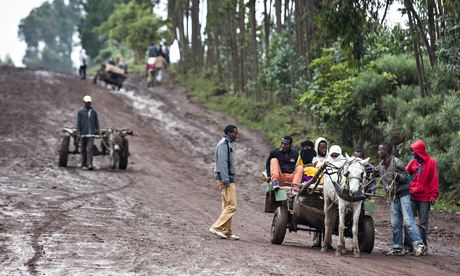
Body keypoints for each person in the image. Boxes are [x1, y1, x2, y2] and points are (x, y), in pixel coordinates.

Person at [375, 142, 426, 256]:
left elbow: (407, 177)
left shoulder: (397, 162)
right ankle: (397, 247)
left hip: (403, 195)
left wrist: (397, 176)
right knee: (395, 222)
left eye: (380, 150)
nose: (378, 152)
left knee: (408, 221)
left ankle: (419, 245)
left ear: (386, 151)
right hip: (393, 196)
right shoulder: (381, 165)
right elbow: (376, 173)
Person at [405, 139, 439, 253]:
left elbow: (434, 179)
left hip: (425, 197)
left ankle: (423, 246)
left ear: (419, 151)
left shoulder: (431, 162)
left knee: (423, 223)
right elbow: (405, 173)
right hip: (412, 195)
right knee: (409, 221)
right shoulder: (413, 162)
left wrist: (434, 195)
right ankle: (408, 246)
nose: (412, 153)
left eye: (413, 151)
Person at [209, 125, 240, 240]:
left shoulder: (227, 143)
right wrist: (226, 180)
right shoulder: (223, 144)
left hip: (226, 178)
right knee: (232, 206)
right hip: (225, 179)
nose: (237, 136)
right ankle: (216, 227)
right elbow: (222, 164)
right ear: (228, 133)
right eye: (235, 133)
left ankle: (227, 230)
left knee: (227, 205)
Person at [310, 137, 328, 248]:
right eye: (321, 147)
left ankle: (327, 241)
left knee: (329, 215)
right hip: (317, 188)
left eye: (325, 147)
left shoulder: (331, 157)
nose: (324, 149)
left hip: (328, 188)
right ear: (317, 147)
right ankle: (316, 240)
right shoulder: (313, 158)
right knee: (318, 214)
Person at [76, 95, 100, 171]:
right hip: (83, 133)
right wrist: (79, 133)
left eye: (89, 102)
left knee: (89, 149)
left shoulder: (94, 112)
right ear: (84, 102)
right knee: (83, 149)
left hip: (91, 134)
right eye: (86, 102)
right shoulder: (80, 112)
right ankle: (84, 164)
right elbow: (78, 123)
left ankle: (90, 164)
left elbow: (96, 123)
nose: (88, 104)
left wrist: (97, 130)